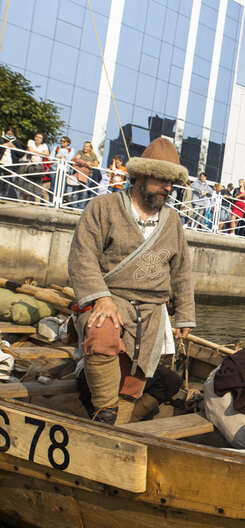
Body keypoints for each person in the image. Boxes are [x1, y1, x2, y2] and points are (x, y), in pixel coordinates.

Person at [67, 137, 196, 425]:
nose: (167, 188)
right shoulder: (104, 207)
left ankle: (120, 424)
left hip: (151, 310)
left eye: (172, 182)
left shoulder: (172, 219)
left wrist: (184, 315)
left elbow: (181, 271)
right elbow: (82, 256)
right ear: (139, 175)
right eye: (161, 180)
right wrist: (101, 298)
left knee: (132, 383)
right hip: (109, 299)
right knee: (101, 333)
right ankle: (106, 414)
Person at [23, 132, 49, 203]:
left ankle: (36, 203)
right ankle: (26, 202)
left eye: (39, 137)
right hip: (30, 165)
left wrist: (35, 152)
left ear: (42, 140)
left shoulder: (44, 145)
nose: (37, 138)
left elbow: (47, 154)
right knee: (28, 184)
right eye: (36, 136)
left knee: (37, 186)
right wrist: (41, 153)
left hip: (38, 167)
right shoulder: (31, 142)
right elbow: (30, 150)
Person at [72, 141, 99, 209]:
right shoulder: (80, 152)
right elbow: (76, 159)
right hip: (78, 173)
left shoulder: (93, 155)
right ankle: (74, 207)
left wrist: (90, 164)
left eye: (86, 146)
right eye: (84, 146)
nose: (84, 147)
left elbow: (96, 164)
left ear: (90, 148)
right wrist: (87, 163)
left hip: (88, 175)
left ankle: (81, 208)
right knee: (75, 191)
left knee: (84, 192)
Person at [0, 127, 25, 199]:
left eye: (11, 134)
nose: (9, 135)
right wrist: (4, 145)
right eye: (8, 133)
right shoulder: (1, 139)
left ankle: (3, 196)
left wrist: (14, 147)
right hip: (1, 161)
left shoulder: (17, 142)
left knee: (6, 181)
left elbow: (21, 154)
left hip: (10, 164)